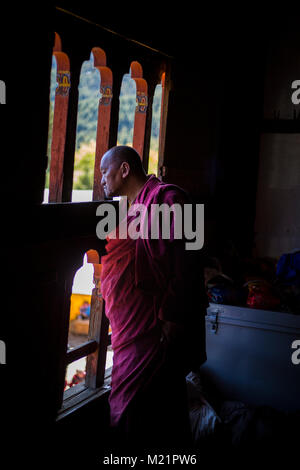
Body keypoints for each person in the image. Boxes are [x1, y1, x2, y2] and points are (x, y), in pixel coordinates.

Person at [99, 145, 208, 452]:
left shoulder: (170, 197)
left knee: (145, 409)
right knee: (154, 409)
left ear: (124, 170)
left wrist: (173, 316)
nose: (102, 181)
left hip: (162, 324)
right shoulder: (132, 207)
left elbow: (189, 262)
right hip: (138, 325)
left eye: (105, 172)